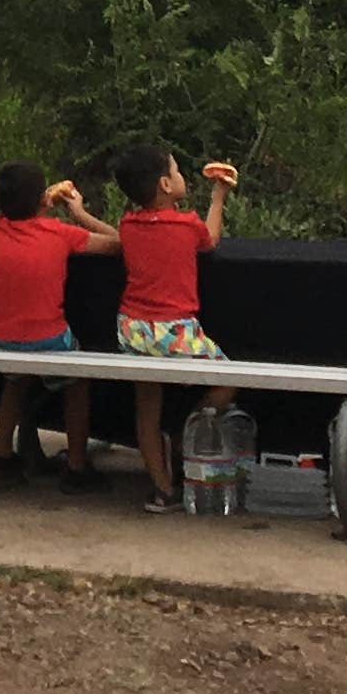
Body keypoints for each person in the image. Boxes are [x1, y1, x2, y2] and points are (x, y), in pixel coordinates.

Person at [88, 140, 238, 510]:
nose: (181, 175)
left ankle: (162, 490)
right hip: (174, 329)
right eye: (176, 170)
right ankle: (188, 425)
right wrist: (218, 196)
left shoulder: (129, 224)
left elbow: (116, 238)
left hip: (134, 328)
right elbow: (212, 239)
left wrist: (79, 213)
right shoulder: (187, 224)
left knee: (146, 408)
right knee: (229, 382)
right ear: (165, 186)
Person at [0, 159, 113, 479]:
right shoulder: (60, 232)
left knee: (16, 377)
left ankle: (2, 452)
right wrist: (80, 214)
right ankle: (77, 464)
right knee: (76, 381)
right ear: (43, 199)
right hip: (47, 339)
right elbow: (119, 244)